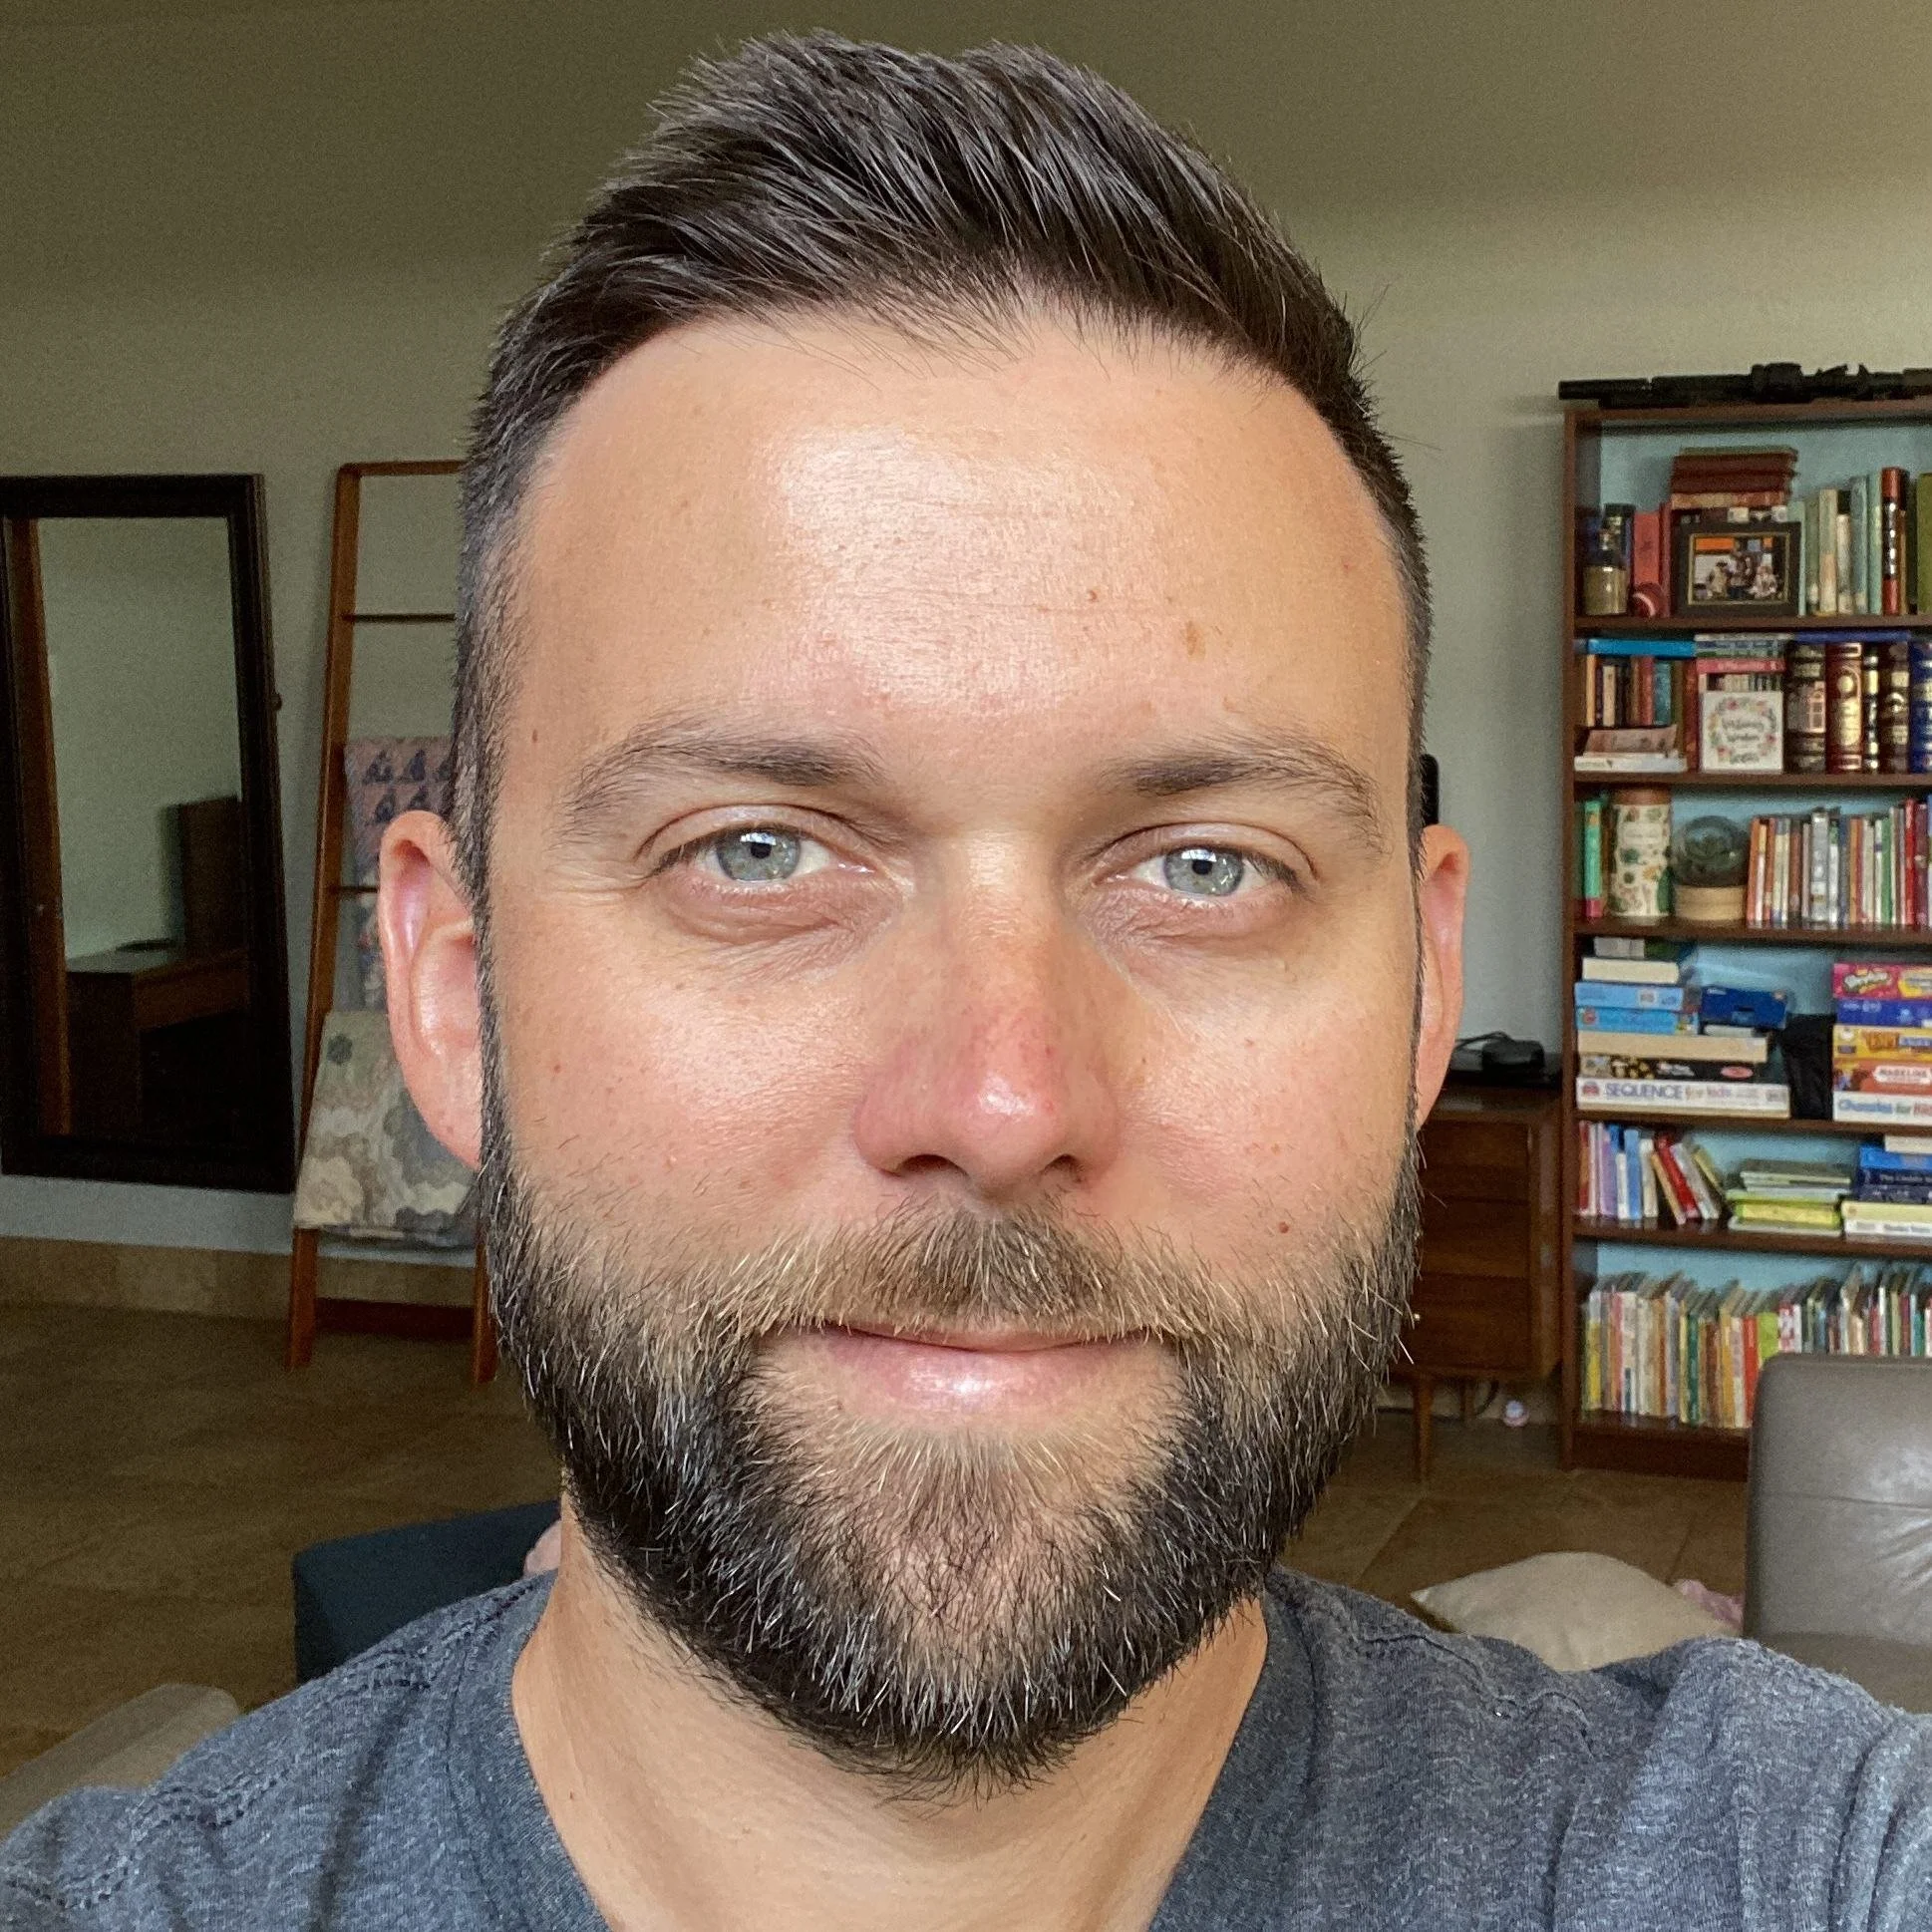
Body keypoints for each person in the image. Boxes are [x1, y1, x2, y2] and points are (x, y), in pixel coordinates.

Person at [5, 32, 1929, 1932]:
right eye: (754, 848)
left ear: (1427, 990)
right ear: (448, 990)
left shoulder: (1799, 1858)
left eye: (1203, 866)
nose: (1002, 1102)